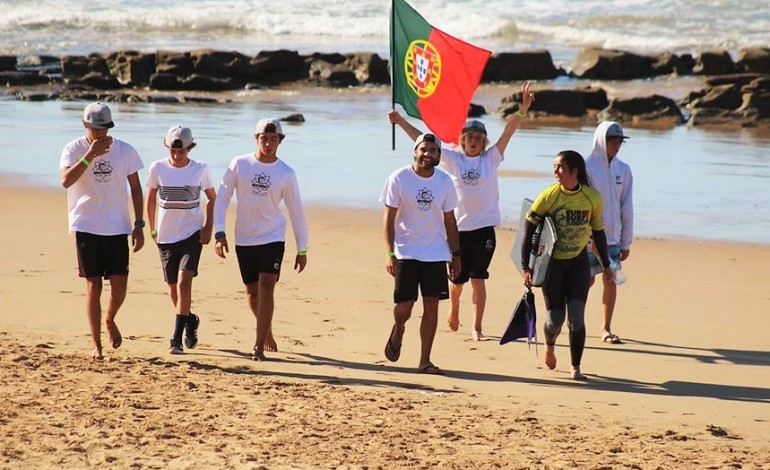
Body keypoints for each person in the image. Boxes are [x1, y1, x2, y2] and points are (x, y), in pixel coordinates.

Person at [388, 82, 534, 341]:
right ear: (462, 140)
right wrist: (400, 121)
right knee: (457, 282)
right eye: (470, 137)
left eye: (479, 138)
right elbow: (422, 140)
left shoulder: (492, 157)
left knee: (479, 278)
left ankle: (477, 326)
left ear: (483, 141)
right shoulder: (453, 159)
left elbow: (508, 132)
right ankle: (455, 307)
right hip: (458, 230)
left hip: (484, 229)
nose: (474, 141)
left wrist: (522, 110)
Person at [213, 117, 309, 361]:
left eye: (273, 139)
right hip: (244, 238)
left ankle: (257, 345)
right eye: (264, 139)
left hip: (273, 236)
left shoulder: (286, 173)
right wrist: (219, 232)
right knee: (253, 293)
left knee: (267, 285)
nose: (268, 144)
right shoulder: (240, 164)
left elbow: (296, 209)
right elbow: (222, 198)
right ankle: (266, 330)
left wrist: (302, 248)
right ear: (257, 139)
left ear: (280, 141)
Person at [59, 102, 145, 360]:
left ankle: (110, 319)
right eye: (96, 128)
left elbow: (136, 188)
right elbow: (66, 181)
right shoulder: (73, 148)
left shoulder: (125, 150)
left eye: (105, 128)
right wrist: (90, 155)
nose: (101, 134)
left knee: (119, 287)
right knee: (93, 285)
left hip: (117, 226)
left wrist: (139, 224)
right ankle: (96, 345)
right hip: (86, 223)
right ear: (86, 125)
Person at [520, 150, 613, 380]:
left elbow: (598, 234)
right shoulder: (549, 196)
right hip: (553, 267)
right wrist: (526, 266)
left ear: (574, 171)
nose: (555, 171)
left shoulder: (592, 198)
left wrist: (607, 265)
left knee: (577, 318)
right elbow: (529, 229)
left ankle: (575, 367)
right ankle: (550, 345)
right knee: (554, 321)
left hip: (578, 264)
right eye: (554, 166)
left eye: (560, 167)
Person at [381, 133, 461, 375]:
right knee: (404, 306)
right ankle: (399, 328)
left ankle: (424, 360)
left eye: (434, 151)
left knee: (432, 306)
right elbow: (389, 218)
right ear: (415, 151)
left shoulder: (445, 181)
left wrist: (455, 255)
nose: (428, 154)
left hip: (435, 253)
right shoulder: (399, 178)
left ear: (439, 155)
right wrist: (389, 253)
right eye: (424, 149)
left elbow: (450, 220)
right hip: (406, 251)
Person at [146, 126, 216, 354]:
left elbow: (212, 198)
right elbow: (150, 198)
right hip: (166, 237)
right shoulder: (157, 168)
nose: (177, 156)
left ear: (189, 148)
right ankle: (190, 320)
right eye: (173, 152)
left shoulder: (200, 169)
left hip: (191, 235)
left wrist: (207, 227)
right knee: (173, 291)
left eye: (182, 152)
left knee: (185, 281)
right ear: (168, 148)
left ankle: (175, 340)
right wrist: (152, 230)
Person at [585, 121, 634, 345]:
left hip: (613, 238)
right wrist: (589, 236)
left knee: (611, 280)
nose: (616, 145)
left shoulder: (623, 170)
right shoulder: (586, 166)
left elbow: (627, 206)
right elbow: (582, 204)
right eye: (612, 140)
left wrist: (626, 242)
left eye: (619, 141)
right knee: (586, 281)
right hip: (589, 238)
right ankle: (576, 322)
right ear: (601, 140)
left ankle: (605, 328)